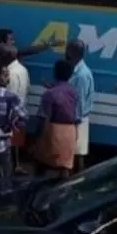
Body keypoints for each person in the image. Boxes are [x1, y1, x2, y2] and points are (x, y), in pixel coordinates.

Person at [31, 60, 78, 178]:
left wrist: (36, 139)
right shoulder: (74, 92)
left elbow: (44, 118)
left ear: (55, 72)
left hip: (53, 131)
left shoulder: (49, 94)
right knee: (65, 167)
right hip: (70, 132)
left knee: (41, 165)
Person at [66, 40, 94, 172]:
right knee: (75, 152)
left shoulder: (81, 75)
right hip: (78, 118)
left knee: (77, 154)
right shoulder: (79, 70)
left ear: (71, 52)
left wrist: (74, 123)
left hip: (78, 119)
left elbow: (79, 101)